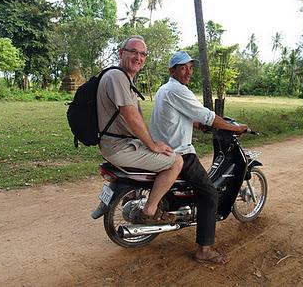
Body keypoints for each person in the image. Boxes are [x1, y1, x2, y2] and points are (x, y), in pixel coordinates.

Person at [149, 51, 247, 264]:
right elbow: (207, 115)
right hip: (179, 152)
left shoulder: (164, 89)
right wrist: (235, 128)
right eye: (183, 67)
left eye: (190, 67)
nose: (188, 71)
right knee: (210, 193)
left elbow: (178, 115)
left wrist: (198, 125)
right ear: (172, 70)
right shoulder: (178, 90)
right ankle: (204, 250)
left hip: (161, 148)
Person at [97, 36, 183, 224]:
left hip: (116, 143)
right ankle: (150, 210)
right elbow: (131, 117)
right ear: (121, 53)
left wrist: (151, 141)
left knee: (161, 152)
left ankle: (130, 195)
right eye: (133, 52)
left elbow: (131, 120)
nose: (139, 57)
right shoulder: (118, 76)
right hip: (119, 147)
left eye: (142, 54)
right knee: (176, 161)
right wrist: (152, 145)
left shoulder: (118, 76)